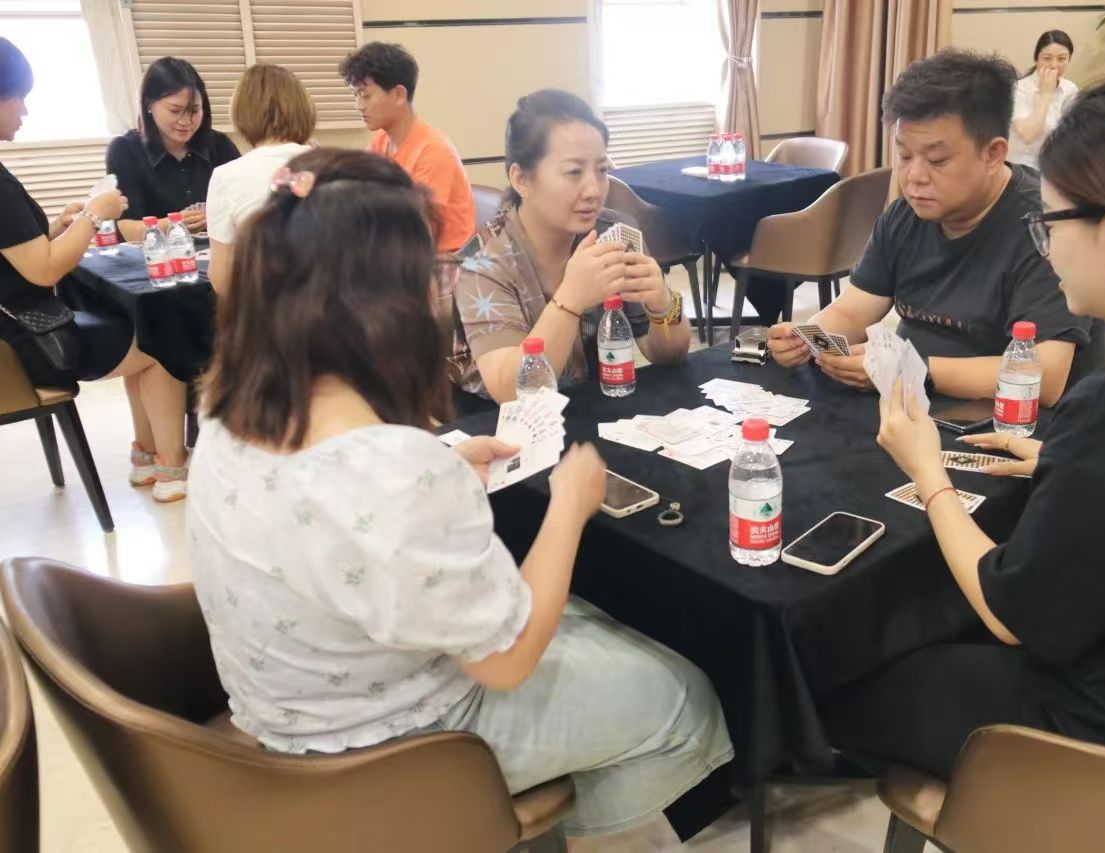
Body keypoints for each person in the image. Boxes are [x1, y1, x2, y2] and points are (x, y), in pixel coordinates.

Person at [189, 147, 733, 839]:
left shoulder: (227, 411)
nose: (438, 291)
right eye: (428, 274)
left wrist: (444, 457)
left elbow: (338, 512)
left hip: (290, 711)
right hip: (403, 749)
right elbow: (507, 660)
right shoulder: (396, 464)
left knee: (598, 621)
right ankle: (529, 828)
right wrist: (569, 506)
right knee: (686, 696)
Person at [821, 75, 1105, 781]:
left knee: (849, 676)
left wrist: (929, 472)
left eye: (1052, 225)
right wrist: (1062, 461)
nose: (1046, 246)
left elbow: (1015, 615)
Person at [766, 50, 1090, 405]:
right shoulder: (906, 215)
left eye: (937, 160)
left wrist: (910, 369)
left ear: (993, 154)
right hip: (914, 405)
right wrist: (807, 337)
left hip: (1007, 421)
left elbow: (1044, 376)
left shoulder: (1045, 228)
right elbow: (852, 310)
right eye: (904, 155)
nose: (914, 177)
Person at [0, 39, 191, 502]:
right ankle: (171, 466)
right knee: (162, 339)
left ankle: (146, 456)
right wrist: (92, 215)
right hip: (30, 339)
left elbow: (18, 251)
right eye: (18, 98)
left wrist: (60, 226)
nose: (24, 111)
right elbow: (44, 270)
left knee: (139, 329)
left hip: (16, 329)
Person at [453, 89, 692, 403]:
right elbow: (512, 393)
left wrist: (662, 304)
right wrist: (571, 299)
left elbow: (669, 354)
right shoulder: (482, 262)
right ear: (522, 179)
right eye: (573, 172)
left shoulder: (615, 233)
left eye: (602, 170)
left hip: (588, 409)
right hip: (497, 421)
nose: (594, 190)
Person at [338, 42, 474, 254]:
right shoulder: (381, 141)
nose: (359, 105)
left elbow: (415, 231)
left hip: (443, 263)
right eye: (356, 95)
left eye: (365, 95)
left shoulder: (434, 151)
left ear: (399, 95)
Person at [207, 64, 316, 295]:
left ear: (241, 115)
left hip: (265, 309)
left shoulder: (227, 176)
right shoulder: (331, 164)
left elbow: (221, 277)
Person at [106, 57, 241, 242]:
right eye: (175, 111)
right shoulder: (125, 151)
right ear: (149, 104)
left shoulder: (220, 145)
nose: (185, 121)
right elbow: (126, 229)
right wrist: (174, 223)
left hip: (218, 251)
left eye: (194, 111)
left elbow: (245, 207)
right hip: (156, 255)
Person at [1008, 30, 1079, 170]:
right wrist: (1046, 94)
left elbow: (1074, 135)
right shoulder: (1019, 88)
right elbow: (1027, 135)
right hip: (1020, 170)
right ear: (1036, 59)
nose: (1054, 65)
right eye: (1047, 58)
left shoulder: (1070, 89)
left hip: (1054, 169)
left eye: (1062, 59)